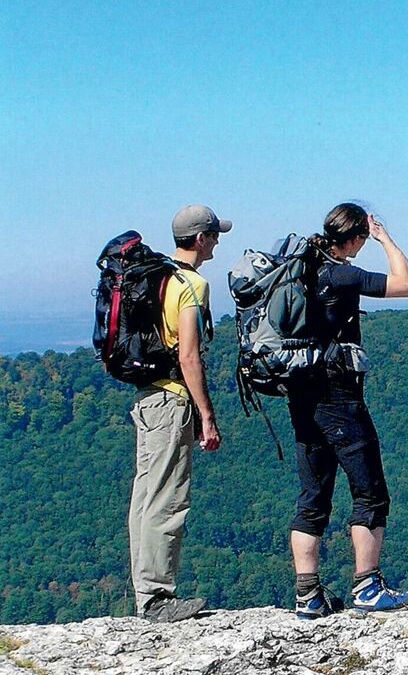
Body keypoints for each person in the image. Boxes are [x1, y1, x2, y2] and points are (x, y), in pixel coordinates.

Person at [288, 202, 408, 619]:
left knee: (312, 498)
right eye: (363, 237)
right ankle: (368, 587)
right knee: (370, 493)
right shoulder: (341, 274)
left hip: (301, 394)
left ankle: (307, 596)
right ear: (356, 237)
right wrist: (385, 238)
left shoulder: (304, 267)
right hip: (338, 397)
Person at [128, 204, 228, 622]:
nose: (217, 242)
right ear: (200, 239)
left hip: (146, 398)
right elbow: (189, 356)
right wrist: (207, 414)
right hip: (171, 401)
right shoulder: (191, 285)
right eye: (214, 235)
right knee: (168, 499)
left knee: (145, 497)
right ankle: (157, 598)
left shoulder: (155, 277)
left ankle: (146, 593)